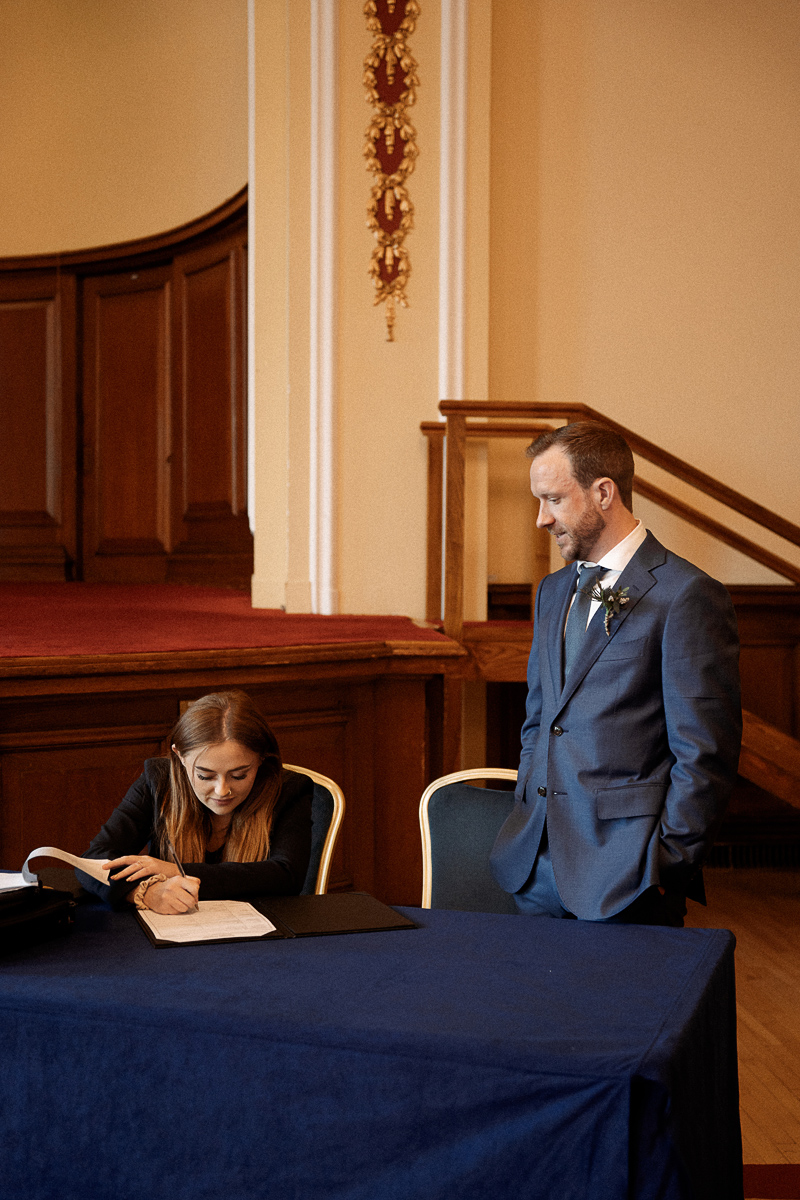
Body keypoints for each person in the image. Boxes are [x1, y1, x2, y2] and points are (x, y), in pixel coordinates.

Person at [489, 421, 742, 926]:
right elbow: (540, 718)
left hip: (629, 876)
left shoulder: (686, 595)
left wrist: (668, 862)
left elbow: (705, 755)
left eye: (554, 499)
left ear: (603, 492)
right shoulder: (552, 591)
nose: (541, 518)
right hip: (532, 868)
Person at [77, 690, 312, 914]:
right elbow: (93, 860)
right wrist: (144, 893)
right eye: (205, 776)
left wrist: (174, 871)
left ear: (261, 758)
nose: (222, 790)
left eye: (239, 775)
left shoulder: (289, 790)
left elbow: (285, 875)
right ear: (179, 756)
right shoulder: (158, 780)